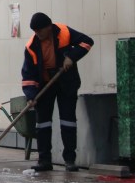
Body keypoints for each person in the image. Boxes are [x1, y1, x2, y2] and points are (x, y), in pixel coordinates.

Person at [22, 12, 94, 172]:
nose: (37, 33)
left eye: (40, 30)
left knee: (68, 121)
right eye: (35, 31)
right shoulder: (31, 47)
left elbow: (87, 42)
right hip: (45, 85)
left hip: (66, 82)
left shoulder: (64, 33)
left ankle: (70, 160)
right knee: (42, 123)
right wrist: (31, 96)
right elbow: (28, 75)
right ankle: (44, 160)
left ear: (48, 27)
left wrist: (71, 57)